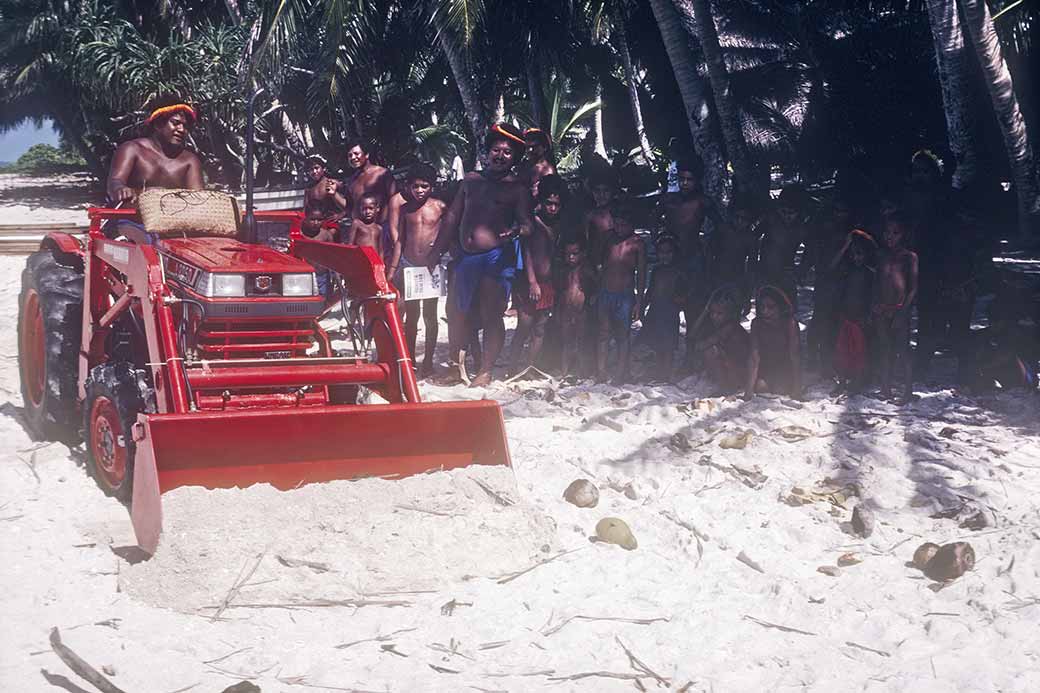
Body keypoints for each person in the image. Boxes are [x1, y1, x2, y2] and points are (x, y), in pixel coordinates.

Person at [432, 122, 533, 387]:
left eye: (507, 153)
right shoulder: (471, 181)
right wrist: (436, 252)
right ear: (487, 152)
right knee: (456, 312)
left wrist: (515, 232)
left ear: (514, 159)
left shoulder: (517, 189)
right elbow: (453, 217)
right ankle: (456, 366)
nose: (500, 156)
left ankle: (485, 371)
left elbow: (527, 224)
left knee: (491, 314)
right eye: (496, 150)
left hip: (496, 258)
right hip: (465, 257)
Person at [388, 163, 447, 377]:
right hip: (410, 268)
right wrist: (392, 269)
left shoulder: (440, 207)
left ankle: (429, 361)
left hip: (431, 269)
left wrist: (439, 254)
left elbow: (448, 235)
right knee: (411, 317)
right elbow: (400, 241)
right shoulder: (405, 209)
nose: (420, 190)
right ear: (408, 186)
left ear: (432, 186)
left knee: (431, 316)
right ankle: (410, 360)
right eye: (416, 186)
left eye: (424, 186)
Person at [509, 174, 565, 375]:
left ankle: (529, 367)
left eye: (556, 205)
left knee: (540, 327)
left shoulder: (558, 225)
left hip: (549, 283)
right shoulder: (532, 223)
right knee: (524, 326)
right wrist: (532, 281)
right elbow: (527, 253)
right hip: (530, 282)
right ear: (541, 201)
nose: (552, 208)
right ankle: (513, 368)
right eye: (549, 203)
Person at [107, 99, 205, 207]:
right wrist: (119, 189)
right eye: (175, 123)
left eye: (186, 126)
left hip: (172, 220)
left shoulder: (190, 161)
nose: (182, 129)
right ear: (158, 124)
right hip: (131, 219)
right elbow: (115, 180)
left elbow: (197, 199)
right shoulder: (132, 149)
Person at [804, 193, 855, 374]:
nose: (840, 214)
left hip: (842, 286)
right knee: (819, 321)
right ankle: (812, 357)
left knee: (834, 324)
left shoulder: (850, 231)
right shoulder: (827, 232)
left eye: (844, 211)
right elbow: (826, 266)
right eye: (837, 211)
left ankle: (828, 361)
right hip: (826, 285)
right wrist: (844, 247)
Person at [596, 202, 647, 384]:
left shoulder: (638, 243)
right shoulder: (608, 238)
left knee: (622, 335)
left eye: (624, 224)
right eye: (616, 224)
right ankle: (601, 371)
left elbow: (641, 273)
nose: (619, 228)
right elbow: (600, 263)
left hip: (625, 295)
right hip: (605, 292)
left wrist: (639, 302)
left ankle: (621, 372)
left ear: (632, 224)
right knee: (603, 333)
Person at [872, 212, 918, 403]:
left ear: (903, 234)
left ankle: (907, 391)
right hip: (882, 309)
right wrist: (874, 304)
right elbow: (876, 281)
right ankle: (886, 388)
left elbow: (913, 288)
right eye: (887, 232)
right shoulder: (880, 255)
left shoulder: (909, 257)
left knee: (903, 349)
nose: (890, 236)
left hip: (900, 309)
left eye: (895, 232)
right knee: (885, 349)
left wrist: (902, 312)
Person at [831, 230, 877, 394]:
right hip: (845, 316)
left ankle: (857, 382)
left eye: (860, 254)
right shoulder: (846, 271)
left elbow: (872, 296)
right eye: (854, 254)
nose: (857, 257)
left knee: (859, 352)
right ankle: (842, 382)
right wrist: (846, 245)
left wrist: (869, 315)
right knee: (842, 351)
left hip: (860, 318)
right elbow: (832, 266)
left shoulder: (870, 274)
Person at [639, 234, 687, 382]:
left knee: (669, 344)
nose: (665, 256)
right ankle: (659, 371)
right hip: (656, 310)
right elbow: (651, 289)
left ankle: (666, 374)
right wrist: (643, 306)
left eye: (668, 252)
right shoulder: (656, 270)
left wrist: (679, 301)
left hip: (670, 311)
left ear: (674, 253)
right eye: (662, 252)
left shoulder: (679, 272)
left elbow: (684, 292)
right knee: (658, 343)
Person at [755, 186, 808, 306]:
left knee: (788, 309)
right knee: (765, 310)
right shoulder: (770, 220)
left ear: (799, 212)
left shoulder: (801, 227)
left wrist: (802, 269)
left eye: (791, 213)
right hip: (765, 273)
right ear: (778, 209)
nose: (787, 216)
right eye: (783, 211)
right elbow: (752, 236)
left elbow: (811, 249)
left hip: (786, 274)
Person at [745, 285, 801, 400]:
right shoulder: (757, 324)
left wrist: (797, 388)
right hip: (766, 367)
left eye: (771, 307)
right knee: (760, 387)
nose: (765, 311)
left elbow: (795, 355)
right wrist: (748, 391)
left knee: (781, 389)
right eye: (762, 307)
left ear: (781, 307)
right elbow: (754, 356)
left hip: (785, 367)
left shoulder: (790, 324)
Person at [693, 287, 750, 395]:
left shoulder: (730, 327)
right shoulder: (719, 325)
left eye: (719, 313)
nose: (714, 316)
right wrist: (705, 311)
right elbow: (693, 336)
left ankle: (726, 387)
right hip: (732, 367)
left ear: (730, 313)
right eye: (712, 312)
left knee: (710, 351)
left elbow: (701, 345)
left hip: (740, 370)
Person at [555, 235, 597, 379]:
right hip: (566, 311)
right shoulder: (563, 271)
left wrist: (593, 298)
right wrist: (557, 312)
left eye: (574, 254)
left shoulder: (586, 270)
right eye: (568, 254)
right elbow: (561, 293)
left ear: (583, 254)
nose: (571, 257)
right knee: (566, 342)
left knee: (581, 341)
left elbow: (596, 285)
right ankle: (564, 371)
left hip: (582, 312)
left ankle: (582, 372)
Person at [344, 138, 396, 223]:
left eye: (356, 154)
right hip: (363, 231)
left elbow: (395, 200)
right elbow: (349, 206)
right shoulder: (351, 181)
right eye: (350, 155)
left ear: (367, 155)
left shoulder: (382, 174)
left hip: (384, 226)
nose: (353, 158)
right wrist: (334, 194)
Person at [301, 154, 347, 240]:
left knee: (332, 234)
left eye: (316, 168)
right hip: (314, 221)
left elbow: (349, 199)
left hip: (329, 220)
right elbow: (305, 208)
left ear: (324, 169)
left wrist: (341, 214)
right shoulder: (309, 188)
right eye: (311, 169)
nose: (314, 172)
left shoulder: (331, 183)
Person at [582, 168, 617, 267]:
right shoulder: (590, 216)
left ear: (612, 191)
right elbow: (585, 242)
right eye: (597, 191)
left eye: (606, 191)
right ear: (592, 192)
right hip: (597, 264)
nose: (601, 195)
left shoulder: (619, 214)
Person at [345, 194, 387, 274]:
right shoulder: (357, 223)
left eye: (370, 208)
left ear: (377, 209)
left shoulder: (379, 228)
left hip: (375, 263)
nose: (367, 212)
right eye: (364, 209)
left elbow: (381, 250)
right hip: (360, 262)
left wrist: (381, 265)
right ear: (359, 209)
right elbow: (350, 245)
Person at [522, 128, 557, 199]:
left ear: (545, 147)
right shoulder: (524, 165)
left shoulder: (547, 171)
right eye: (528, 147)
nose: (530, 150)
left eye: (534, 147)